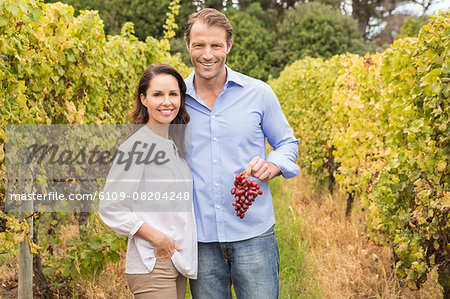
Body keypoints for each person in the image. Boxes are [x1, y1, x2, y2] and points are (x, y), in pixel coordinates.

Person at [183, 8, 300, 299]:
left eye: (216, 45)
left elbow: (287, 143)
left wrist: (272, 165)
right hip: (200, 238)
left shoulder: (259, 93)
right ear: (188, 45)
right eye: (199, 45)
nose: (207, 54)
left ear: (229, 46)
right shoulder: (175, 101)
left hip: (254, 234)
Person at [98, 64, 197, 299]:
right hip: (153, 261)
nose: (167, 102)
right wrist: (158, 238)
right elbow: (110, 207)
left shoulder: (173, 145)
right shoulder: (136, 147)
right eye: (157, 94)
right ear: (143, 99)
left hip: (177, 259)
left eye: (173, 94)